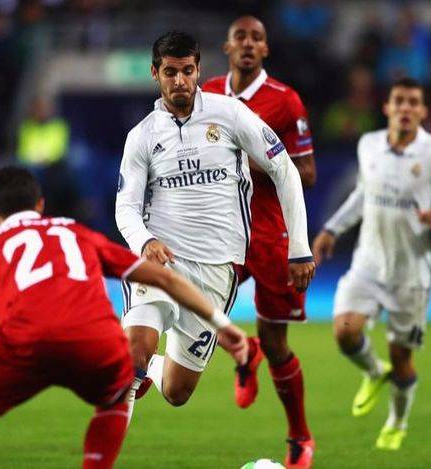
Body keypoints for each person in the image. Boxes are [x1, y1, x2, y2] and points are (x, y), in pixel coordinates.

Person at [0, 166, 248, 469]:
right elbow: (164, 277)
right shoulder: (75, 231)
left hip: (23, 343)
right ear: (40, 205)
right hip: (95, 341)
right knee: (118, 395)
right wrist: (223, 325)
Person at [115, 31, 316, 421]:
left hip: (216, 271)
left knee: (176, 391)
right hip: (160, 263)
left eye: (187, 71)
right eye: (170, 72)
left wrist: (300, 249)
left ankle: (154, 369)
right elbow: (125, 206)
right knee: (132, 357)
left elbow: (284, 170)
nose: (180, 82)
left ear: (197, 70)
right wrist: (145, 240)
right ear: (155, 73)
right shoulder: (141, 137)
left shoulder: (229, 114)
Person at [312, 77, 431, 450]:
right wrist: (331, 230)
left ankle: (397, 422)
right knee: (344, 332)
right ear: (386, 108)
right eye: (398, 101)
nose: (405, 108)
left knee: (402, 357)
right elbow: (362, 195)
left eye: (412, 102)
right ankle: (373, 371)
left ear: (422, 111)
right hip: (368, 264)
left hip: (412, 272)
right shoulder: (368, 144)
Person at [202, 15, 317, 468]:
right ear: (226, 48)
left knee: (275, 341)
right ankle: (240, 349)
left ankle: (300, 436)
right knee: (193, 311)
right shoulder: (205, 92)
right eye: (240, 38)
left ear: (265, 50)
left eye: (256, 38)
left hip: (269, 234)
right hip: (215, 231)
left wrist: (249, 161)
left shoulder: (285, 102)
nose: (248, 44)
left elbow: (305, 174)